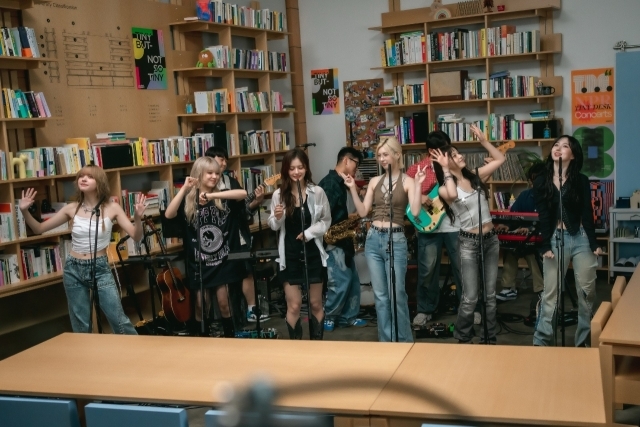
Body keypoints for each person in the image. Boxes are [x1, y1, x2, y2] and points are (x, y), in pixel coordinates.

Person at [19, 165, 144, 334]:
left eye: (89, 177)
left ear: (99, 182)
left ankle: (139, 356)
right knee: (81, 326)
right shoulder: (72, 208)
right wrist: (25, 211)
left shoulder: (112, 208)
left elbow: (136, 236)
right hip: (73, 269)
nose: (83, 179)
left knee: (118, 320)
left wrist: (137, 217)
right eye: (81, 176)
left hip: (100, 268)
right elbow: (39, 229)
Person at [343, 136, 425, 342]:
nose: (381, 158)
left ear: (397, 155)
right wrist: (353, 188)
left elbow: (415, 212)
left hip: (396, 240)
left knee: (397, 294)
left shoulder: (408, 181)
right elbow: (363, 212)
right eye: (379, 155)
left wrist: (419, 185)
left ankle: (404, 341)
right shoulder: (374, 181)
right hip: (373, 240)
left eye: (385, 154)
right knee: (381, 297)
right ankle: (386, 342)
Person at [431, 124, 505, 344]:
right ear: (444, 161)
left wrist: (483, 141)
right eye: (453, 155)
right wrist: (445, 169)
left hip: (490, 240)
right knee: (470, 297)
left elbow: (499, 159)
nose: (460, 156)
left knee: (490, 296)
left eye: (458, 152)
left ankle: (489, 338)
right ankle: (463, 337)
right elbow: (452, 193)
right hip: (468, 243)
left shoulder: (474, 177)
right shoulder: (444, 188)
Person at [164, 156, 248, 338]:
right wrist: (185, 188)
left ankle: (230, 337)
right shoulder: (188, 201)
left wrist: (211, 195)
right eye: (209, 173)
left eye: (217, 173)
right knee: (202, 304)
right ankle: (202, 341)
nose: (214, 177)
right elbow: (169, 214)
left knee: (224, 302)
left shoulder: (222, 197)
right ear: (198, 174)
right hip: (199, 262)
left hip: (222, 261)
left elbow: (242, 194)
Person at [532, 136, 602, 347]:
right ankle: (542, 342)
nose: (558, 149)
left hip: (580, 237)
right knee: (550, 295)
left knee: (586, 293)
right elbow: (544, 216)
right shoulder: (541, 180)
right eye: (556, 145)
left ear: (573, 154)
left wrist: (593, 242)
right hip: (555, 237)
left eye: (565, 146)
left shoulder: (580, 180)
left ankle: (583, 343)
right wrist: (544, 245)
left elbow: (587, 213)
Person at [269, 148, 331, 340]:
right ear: (286, 170)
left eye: (300, 168)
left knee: (315, 304)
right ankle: (297, 350)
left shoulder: (317, 192)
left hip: (312, 252)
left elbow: (326, 220)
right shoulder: (278, 195)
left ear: (306, 169)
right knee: (294, 305)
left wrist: (309, 233)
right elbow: (273, 225)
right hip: (289, 254)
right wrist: (278, 217)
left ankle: (317, 346)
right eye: (292, 168)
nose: (296, 172)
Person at [405, 130, 463, 326]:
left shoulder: (455, 166)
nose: (447, 152)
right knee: (427, 269)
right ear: (431, 151)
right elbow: (406, 194)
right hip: (428, 227)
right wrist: (420, 197)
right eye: (442, 149)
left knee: (462, 267)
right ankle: (425, 309)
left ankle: (468, 308)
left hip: (455, 225)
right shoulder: (416, 169)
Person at [205, 146, 268, 323]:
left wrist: (256, 201)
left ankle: (251, 309)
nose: (224, 163)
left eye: (225, 159)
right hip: (215, 239)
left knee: (246, 268)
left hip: (236, 234)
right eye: (220, 159)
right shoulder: (202, 184)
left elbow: (243, 208)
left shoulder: (231, 182)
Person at [318, 146, 367, 332]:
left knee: (353, 280)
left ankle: (348, 317)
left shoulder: (343, 182)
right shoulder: (330, 184)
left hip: (343, 239)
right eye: (356, 163)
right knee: (339, 281)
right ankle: (329, 316)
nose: (357, 168)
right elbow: (323, 215)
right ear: (346, 160)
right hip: (333, 240)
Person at [495, 163, 546, 325]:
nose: (534, 183)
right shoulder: (525, 196)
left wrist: (530, 228)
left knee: (531, 252)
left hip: (541, 239)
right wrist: (507, 226)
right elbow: (514, 217)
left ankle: (541, 289)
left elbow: (548, 223)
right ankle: (508, 288)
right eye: (532, 180)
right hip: (524, 238)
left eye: (537, 180)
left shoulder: (550, 197)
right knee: (511, 250)